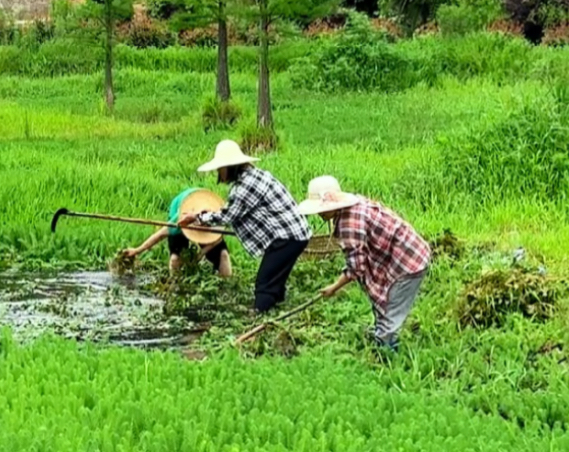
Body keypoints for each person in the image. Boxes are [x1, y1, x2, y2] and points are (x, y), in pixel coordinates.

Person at [297, 175, 431, 351]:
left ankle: (387, 352)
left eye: (322, 209)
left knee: (390, 307)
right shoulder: (353, 206)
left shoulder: (348, 224)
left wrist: (334, 287)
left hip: (408, 261)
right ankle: (381, 334)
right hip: (398, 253)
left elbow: (357, 267)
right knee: (383, 300)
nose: (319, 213)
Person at [179, 140, 312, 313]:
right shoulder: (255, 175)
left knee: (264, 283)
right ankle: (277, 306)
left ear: (231, 167)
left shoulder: (244, 186)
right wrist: (206, 215)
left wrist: (197, 217)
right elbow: (235, 211)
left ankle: (258, 316)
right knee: (275, 277)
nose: (219, 173)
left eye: (221, 169)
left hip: (286, 237)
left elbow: (228, 216)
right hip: (294, 233)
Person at [122, 188, 233, 277]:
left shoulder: (217, 218)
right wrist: (137, 250)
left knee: (223, 255)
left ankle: (227, 285)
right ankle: (175, 283)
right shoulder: (179, 220)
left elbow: (217, 239)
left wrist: (199, 255)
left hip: (204, 205)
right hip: (184, 209)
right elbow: (158, 236)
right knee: (175, 259)